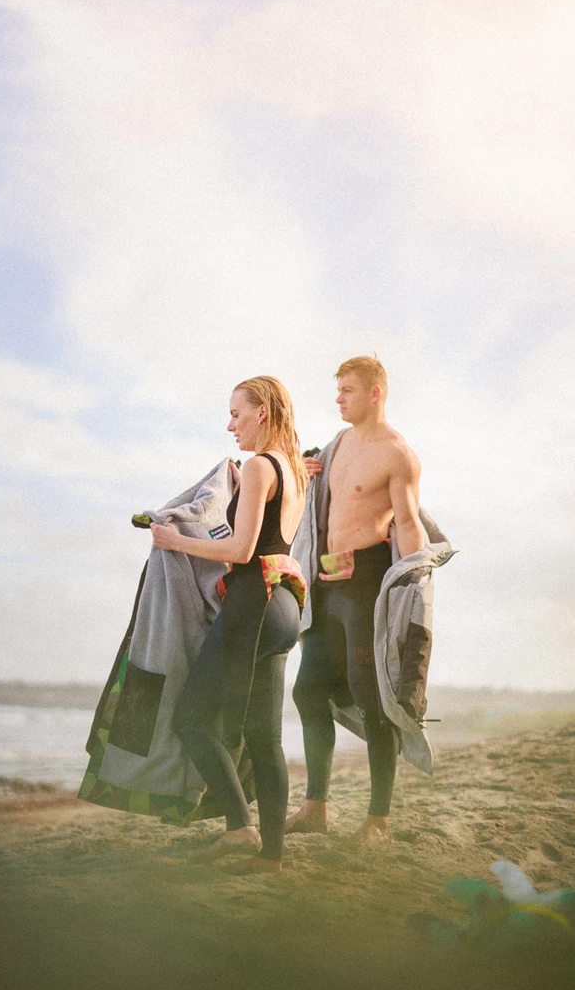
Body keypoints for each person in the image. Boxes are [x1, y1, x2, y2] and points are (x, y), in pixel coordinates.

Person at [151, 376, 307, 875]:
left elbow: (240, 551)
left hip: (252, 605)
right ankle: (271, 857)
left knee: (192, 717)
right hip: (284, 609)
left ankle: (240, 827)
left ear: (262, 412)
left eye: (236, 413)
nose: (229, 424)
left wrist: (176, 542)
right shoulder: (293, 470)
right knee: (267, 737)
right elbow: (268, 540)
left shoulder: (262, 465)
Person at [288, 355, 424, 844]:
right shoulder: (337, 443)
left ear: (375, 393)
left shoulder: (397, 454)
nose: (339, 397)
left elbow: (407, 525)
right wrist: (308, 474)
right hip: (326, 583)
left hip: (366, 584)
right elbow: (324, 499)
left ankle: (379, 819)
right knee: (307, 691)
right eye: (338, 389)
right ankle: (315, 809)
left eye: (347, 389)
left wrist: (412, 592)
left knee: (372, 701)